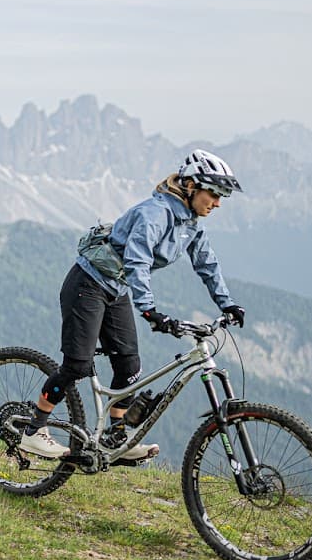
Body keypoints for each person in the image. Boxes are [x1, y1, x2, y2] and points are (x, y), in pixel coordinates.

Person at [16, 150, 248, 461]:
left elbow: (207, 263)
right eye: (214, 194)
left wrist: (228, 303)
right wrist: (149, 309)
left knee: (129, 367)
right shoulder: (155, 213)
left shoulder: (190, 223)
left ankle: (115, 438)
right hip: (88, 284)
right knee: (77, 366)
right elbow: (137, 260)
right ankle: (34, 431)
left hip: (117, 288)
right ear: (191, 185)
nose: (217, 203)